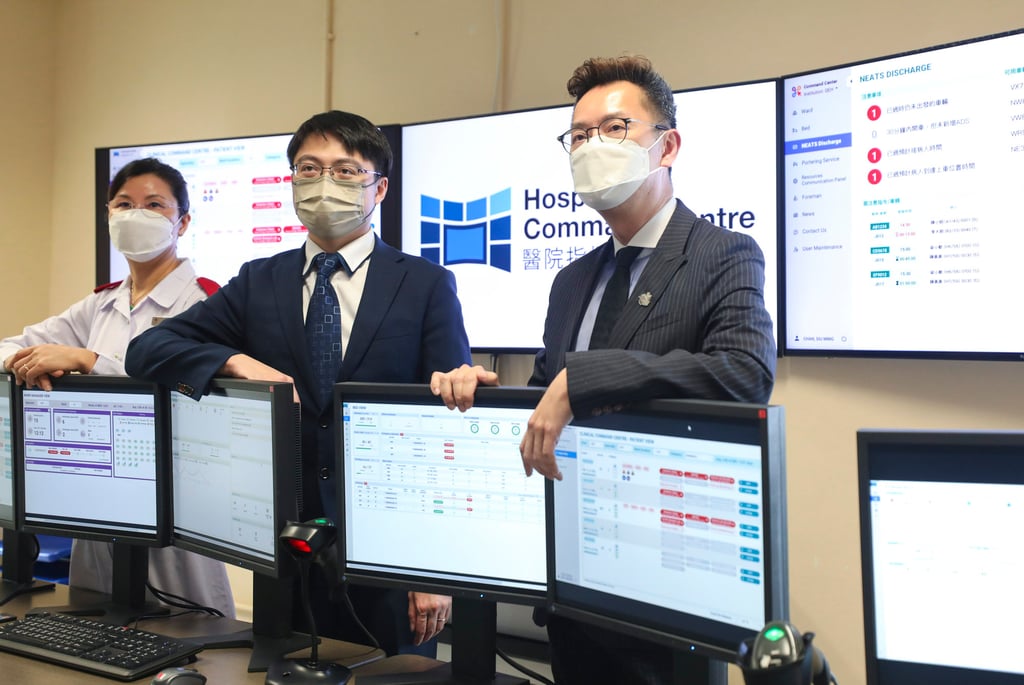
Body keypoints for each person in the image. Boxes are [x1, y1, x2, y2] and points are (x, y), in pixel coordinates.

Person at [431, 56, 776, 684]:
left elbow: (745, 372)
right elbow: (548, 401)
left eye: (614, 129)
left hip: (669, 589)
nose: (592, 146)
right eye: (580, 135)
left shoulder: (723, 253)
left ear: (666, 145)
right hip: (572, 582)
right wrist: (490, 396)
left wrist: (586, 377)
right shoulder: (571, 280)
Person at [125, 110, 472, 655]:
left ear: (378, 188)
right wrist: (232, 362)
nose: (324, 183)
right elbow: (146, 350)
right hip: (280, 553)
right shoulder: (258, 281)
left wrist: (432, 569)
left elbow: (446, 430)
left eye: (345, 170)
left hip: (387, 553)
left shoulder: (425, 284)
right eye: (309, 168)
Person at [0, 157, 235, 617]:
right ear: (109, 215)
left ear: (183, 221)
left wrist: (89, 362)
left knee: (193, 639)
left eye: (154, 205)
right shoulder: (100, 304)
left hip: (174, 506)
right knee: (93, 629)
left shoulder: (208, 301)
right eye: (124, 204)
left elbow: (189, 384)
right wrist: (31, 364)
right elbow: (15, 344)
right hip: (96, 494)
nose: (136, 214)